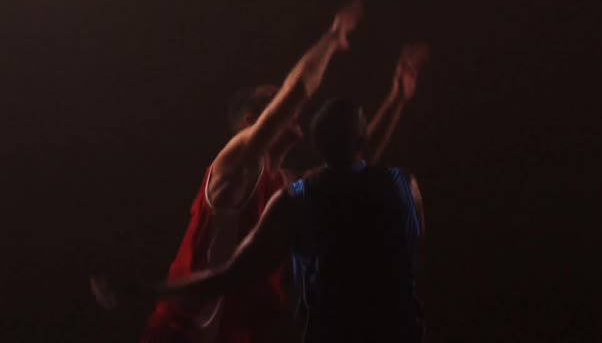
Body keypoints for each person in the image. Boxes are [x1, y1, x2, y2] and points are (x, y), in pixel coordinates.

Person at [155, 97, 425, 343]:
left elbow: (233, 274)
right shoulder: (403, 184)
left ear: (319, 143)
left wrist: (161, 290)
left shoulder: (297, 198)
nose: (295, 110)